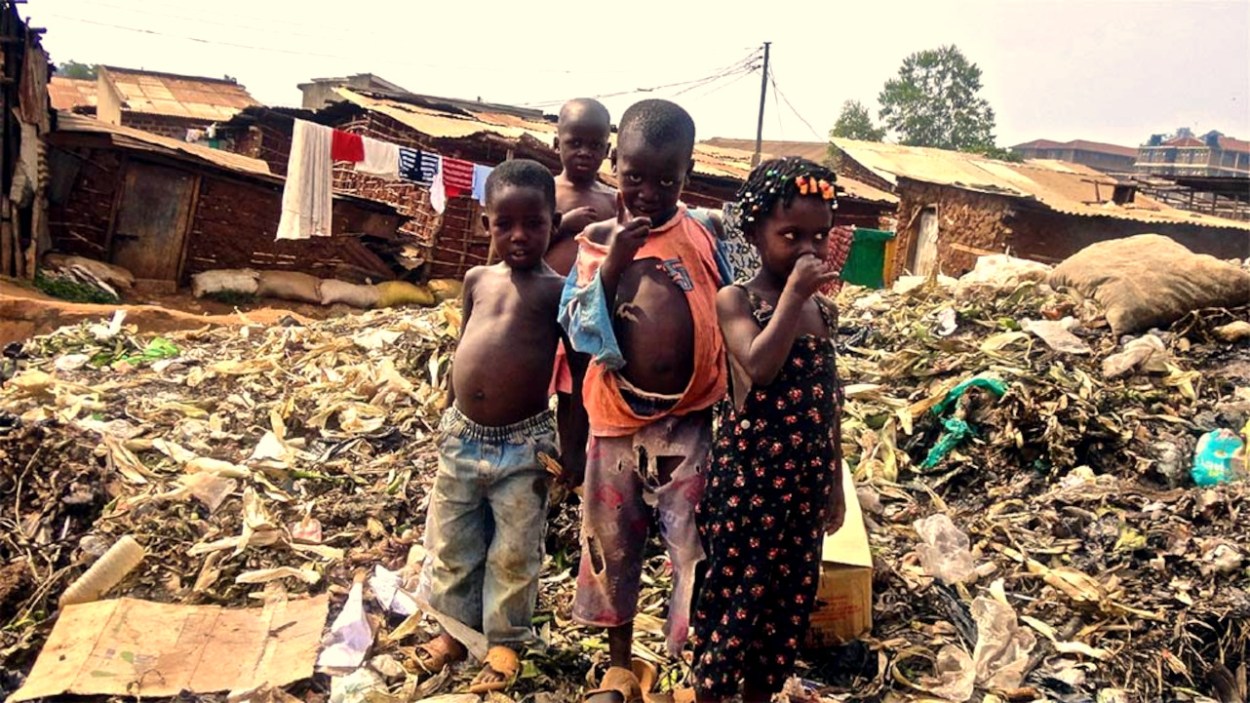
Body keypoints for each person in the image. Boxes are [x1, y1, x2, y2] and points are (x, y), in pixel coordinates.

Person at [559, 99, 733, 702]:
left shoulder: (703, 235)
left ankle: (689, 661)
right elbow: (578, 329)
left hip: (688, 422)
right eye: (635, 177)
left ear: (688, 172)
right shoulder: (596, 242)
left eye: (667, 180)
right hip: (615, 420)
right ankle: (619, 667)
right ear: (616, 164)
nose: (649, 193)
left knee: (692, 543)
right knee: (613, 544)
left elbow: (730, 299)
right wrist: (615, 264)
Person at [690, 157, 854, 702]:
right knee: (734, 605)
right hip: (750, 490)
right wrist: (793, 298)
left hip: (804, 490)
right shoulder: (737, 300)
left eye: (819, 237)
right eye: (791, 236)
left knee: (785, 610)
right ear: (755, 233)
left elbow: (829, 406)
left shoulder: (822, 313)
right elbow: (759, 366)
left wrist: (835, 484)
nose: (808, 250)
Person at [415, 159, 572, 693]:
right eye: (505, 224)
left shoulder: (558, 291)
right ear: (487, 224)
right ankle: (454, 632)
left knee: (514, 551)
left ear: (554, 223)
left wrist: (572, 450)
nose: (519, 235)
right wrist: (448, 404)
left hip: (526, 443)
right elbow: (465, 340)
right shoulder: (477, 279)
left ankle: (505, 640)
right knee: (454, 543)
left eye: (534, 223)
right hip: (461, 436)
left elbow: (575, 376)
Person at [547, 98, 614, 483]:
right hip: (540, 307)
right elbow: (511, 248)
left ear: (607, 148)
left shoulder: (612, 200)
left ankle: (572, 460)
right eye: (575, 143)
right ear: (557, 142)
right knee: (532, 380)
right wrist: (563, 225)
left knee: (577, 389)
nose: (585, 152)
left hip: (586, 312)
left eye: (595, 144)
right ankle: (526, 452)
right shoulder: (545, 192)